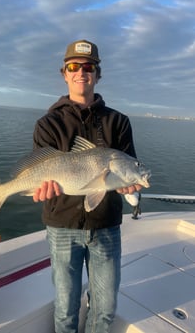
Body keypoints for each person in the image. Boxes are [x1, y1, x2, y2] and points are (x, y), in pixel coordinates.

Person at [32, 39, 142, 333]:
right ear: (64, 73)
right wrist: (42, 190)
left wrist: (130, 184)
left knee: (105, 309)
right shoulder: (48, 123)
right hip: (62, 226)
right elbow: (42, 168)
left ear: (97, 73)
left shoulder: (119, 122)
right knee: (66, 307)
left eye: (89, 66)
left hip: (106, 226)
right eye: (73, 66)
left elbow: (130, 166)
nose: (82, 72)